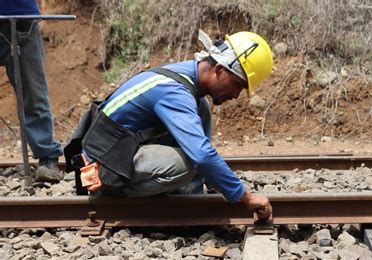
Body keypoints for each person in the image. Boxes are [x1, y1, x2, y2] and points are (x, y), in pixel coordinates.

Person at [65, 29, 273, 219]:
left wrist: (215, 179)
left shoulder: (185, 78)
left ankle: (190, 194)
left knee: (201, 109)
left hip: (119, 150)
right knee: (188, 164)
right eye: (237, 85)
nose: (236, 95)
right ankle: (122, 198)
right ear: (219, 69)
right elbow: (201, 155)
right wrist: (245, 197)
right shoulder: (174, 93)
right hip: (104, 169)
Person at [0, 0, 62, 182]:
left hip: (21, 16)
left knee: (33, 91)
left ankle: (47, 159)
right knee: (34, 91)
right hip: (20, 13)